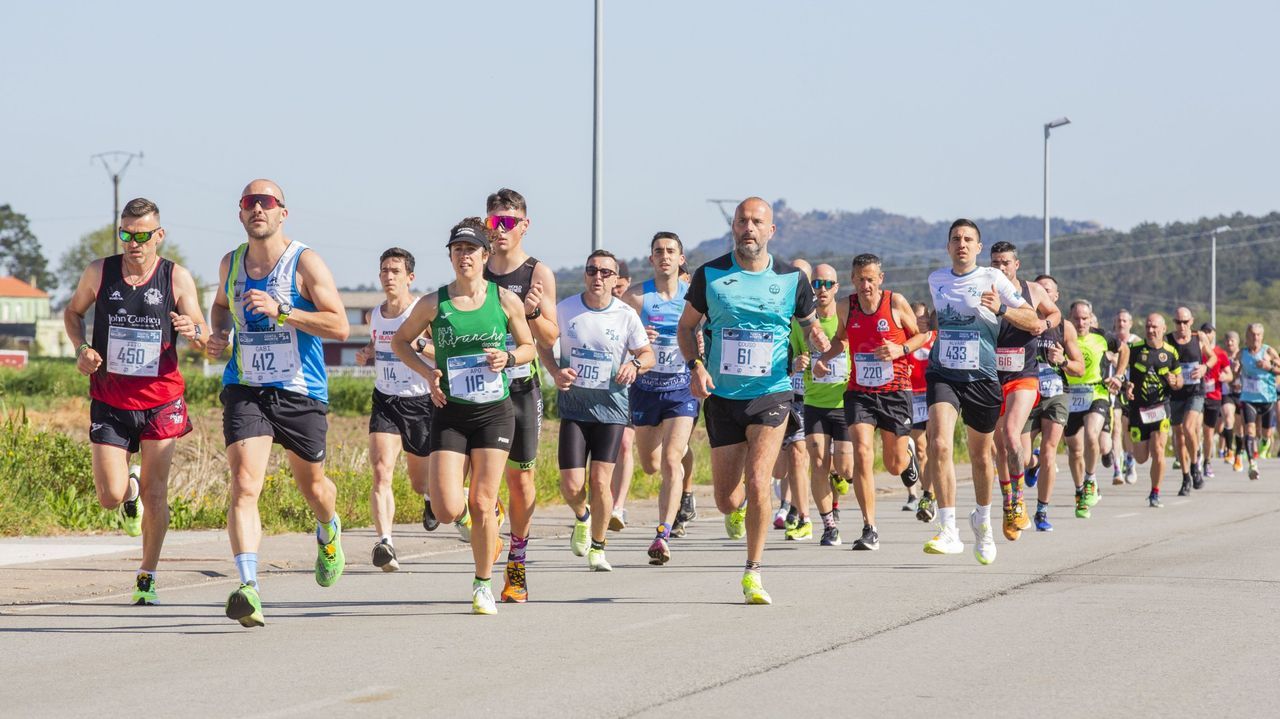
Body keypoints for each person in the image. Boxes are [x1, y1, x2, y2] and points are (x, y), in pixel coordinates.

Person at [208, 180, 351, 627]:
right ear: (240, 213)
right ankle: (249, 586)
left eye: (266, 203)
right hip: (246, 386)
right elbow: (218, 306)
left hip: (299, 389)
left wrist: (282, 310)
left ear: (282, 213)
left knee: (314, 488)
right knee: (245, 485)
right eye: (249, 203)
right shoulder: (231, 263)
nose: (257, 209)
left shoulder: (304, 263)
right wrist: (219, 334)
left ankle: (328, 529)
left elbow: (340, 326)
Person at [677, 197, 827, 604]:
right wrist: (696, 366)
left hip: (771, 393)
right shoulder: (710, 275)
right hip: (723, 397)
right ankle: (739, 512)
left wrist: (818, 339)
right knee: (727, 499)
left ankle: (753, 571)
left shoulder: (792, 279)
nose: (749, 228)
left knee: (760, 480)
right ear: (734, 228)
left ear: (771, 230)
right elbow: (687, 328)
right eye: (742, 221)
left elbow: (810, 323)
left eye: (757, 222)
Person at [63, 197, 208, 606]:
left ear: (159, 236)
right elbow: (72, 313)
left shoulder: (175, 278)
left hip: (162, 400)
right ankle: (128, 494)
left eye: (142, 235)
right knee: (109, 495)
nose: (134, 243)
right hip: (110, 400)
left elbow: (201, 329)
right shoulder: (99, 272)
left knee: (156, 493)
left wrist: (190, 327)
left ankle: (147, 574)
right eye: (126, 234)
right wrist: (82, 349)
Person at [392, 218, 535, 615]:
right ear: (451, 256)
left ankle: (483, 584)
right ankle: (487, 532)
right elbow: (400, 342)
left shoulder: (504, 300)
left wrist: (508, 358)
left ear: (485, 255)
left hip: (494, 412)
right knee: (445, 508)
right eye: (457, 250)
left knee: (482, 499)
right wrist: (428, 373)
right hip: (450, 412)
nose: (464, 256)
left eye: (471, 249)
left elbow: (529, 348)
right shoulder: (433, 303)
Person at [920, 219, 1035, 565]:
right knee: (938, 442)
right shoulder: (936, 279)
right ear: (948, 246)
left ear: (978, 247)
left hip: (983, 378)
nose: (962, 244)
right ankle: (948, 529)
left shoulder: (993, 278)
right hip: (944, 374)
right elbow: (946, 317)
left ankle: (983, 523)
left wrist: (1001, 308)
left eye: (968, 239)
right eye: (956, 239)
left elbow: (1032, 319)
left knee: (980, 457)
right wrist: (929, 324)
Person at [546, 251, 654, 571]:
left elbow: (647, 355)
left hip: (611, 410)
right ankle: (582, 517)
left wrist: (634, 364)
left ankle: (598, 546)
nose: (598, 277)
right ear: (584, 274)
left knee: (600, 481)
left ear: (616, 278)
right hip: (575, 409)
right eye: (592, 270)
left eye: (606, 272)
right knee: (570, 485)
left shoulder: (624, 314)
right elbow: (542, 344)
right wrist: (554, 370)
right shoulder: (565, 310)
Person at [815, 254, 925, 550]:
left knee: (893, 465)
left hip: (895, 391)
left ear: (880, 279)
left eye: (870, 279)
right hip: (859, 392)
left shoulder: (895, 303)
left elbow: (921, 336)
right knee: (862, 452)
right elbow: (841, 340)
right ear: (852, 280)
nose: (865, 285)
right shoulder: (845, 307)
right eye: (860, 279)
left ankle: (907, 456)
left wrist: (899, 348)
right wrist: (823, 359)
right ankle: (869, 527)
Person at [482, 188, 559, 603]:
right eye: (494, 221)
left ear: (524, 226)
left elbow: (550, 335)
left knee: (521, 479)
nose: (500, 230)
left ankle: (517, 561)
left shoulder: (537, 273)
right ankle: (488, 520)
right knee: (477, 478)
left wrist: (530, 312)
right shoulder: (475, 265)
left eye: (508, 222)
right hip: (477, 390)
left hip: (520, 386)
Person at [353, 248, 434, 572]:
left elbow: (442, 353)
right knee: (381, 470)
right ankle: (385, 542)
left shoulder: (422, 312)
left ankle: (430, 501)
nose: (389, 276)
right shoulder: (374, 314)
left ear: (409, 277)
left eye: (395, 271)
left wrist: (422, 345)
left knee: (420, 483)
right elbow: (378, 343)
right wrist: (367, 352)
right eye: (384, 270)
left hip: (420, 401)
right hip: (385, 399)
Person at [620, 233, 698, 563]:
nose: (664, 256)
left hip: (681, 388)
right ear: (651, 259)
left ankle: (663, 534)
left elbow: (706, 331)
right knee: (652, 465)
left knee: (670, 459)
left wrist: (702, 351)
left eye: (670, 251)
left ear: (681, 258)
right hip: (646, 388)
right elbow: (615, 337)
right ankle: (687, 477)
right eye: (658, 252)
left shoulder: (693, 297)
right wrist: (638, 339)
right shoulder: (635, 297)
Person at [988, 242, 1059, 540]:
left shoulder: (1032, 291)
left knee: (1011, 435)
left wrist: (1045, 323)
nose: (1000, 268)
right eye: (995, 263)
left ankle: (1018, 497)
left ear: (1016, 264)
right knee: (998, 447)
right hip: (992, 375)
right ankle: (1009, 502)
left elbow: (1055, 313)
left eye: (1006, 262)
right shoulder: (985, 291)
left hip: (1024, 375)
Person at [791, 264, 852, 546]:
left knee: (845, 468)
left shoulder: (845, 319)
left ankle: (840, 476)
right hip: (813, 401)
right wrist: (796, 363)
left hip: (843, 401)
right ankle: (828, 525)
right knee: (817, 462)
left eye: (828, 284)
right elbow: (789, 356)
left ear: (836, 288)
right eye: (817, 283)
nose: (822, 289)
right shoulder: (799, 324)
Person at [1025, 275, 1084, 527]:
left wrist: (1062, 360)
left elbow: (1079, 368)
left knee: (1051, 450)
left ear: (1056, 297)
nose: (1043, 295)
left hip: (1056, 394)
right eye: (1039, 291)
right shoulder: (1022, 320)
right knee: (1019, 453)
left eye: (1048, 291)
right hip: (1026, 394)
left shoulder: (1065, 328)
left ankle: (1041, 511)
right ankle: (1033, 462)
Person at [1063, 300, 1127, 524]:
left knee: (1092, 435)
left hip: (1096, 393)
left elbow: (1124, 350)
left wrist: (1118, 376)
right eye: (1076, 318)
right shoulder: (1062, 335)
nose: (1080, 322)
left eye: (1085, 318)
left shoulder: (1103, 337)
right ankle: (1080, 491)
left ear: (1091, 318)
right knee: (1075, 450)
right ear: (1069, 318)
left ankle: (1090, 479)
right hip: (1070, 395)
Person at [1123, 313, 1183, 508]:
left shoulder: (1171, 352)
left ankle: (1155, 493)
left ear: (1163, 329)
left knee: (1158, 450)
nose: (1150, 330)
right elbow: (1121, 371)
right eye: (1148, 326)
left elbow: (1179, 379)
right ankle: (1129, 459)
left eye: (1155, 327)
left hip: (1160, 406)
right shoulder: (1134, 349)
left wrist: (1175, 383)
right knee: (1141, 458)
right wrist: (1126, 385)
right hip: (1138, 409)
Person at [1166, 307, 1217, 495]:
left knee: (1189, 427)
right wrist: (1168, 376)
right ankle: (1186, 477)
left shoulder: (1199, 338)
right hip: (1175, 393)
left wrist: (1204, 368)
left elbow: (1213, 358)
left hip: (1195, 391)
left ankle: (1195, 465)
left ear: (1192, 321)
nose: (1182, 326)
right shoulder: (1168, 341)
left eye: (1185, 322)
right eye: (1178, 322)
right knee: (1178, 436)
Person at [609, 259, 638, 531]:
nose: (615, 290)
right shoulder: (597, 310)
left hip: (630, 388)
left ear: (627, 283)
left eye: (620, 286)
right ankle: (603, 501)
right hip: (597, 390)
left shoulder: (632, 310)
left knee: (626, 444)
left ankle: (618, 506)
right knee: (602, 447)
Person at [1237, 323, 1280, 480]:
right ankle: (1252, 464)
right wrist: (1234, 375)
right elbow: (1234, 370)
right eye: (1252, 334)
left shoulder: (1268, 351)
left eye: (1258, 335)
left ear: (1262, 336)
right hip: (1248, 397)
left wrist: (1269, 367)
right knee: (1249, 430)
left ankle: (1264, 443)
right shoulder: (1242, 353)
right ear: (1247, 336)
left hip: (1267, 398)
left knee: (1266, 434)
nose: (1255, 338)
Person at [908, 303, 937, 522]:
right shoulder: (905, 340)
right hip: (912, 397)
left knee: (932, 446)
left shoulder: (935, 337)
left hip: (932, 395)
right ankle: (922, 488)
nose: (922, 321)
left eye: (925, 317)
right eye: (918, 318)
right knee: (919, 448)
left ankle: (928, 493)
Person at [1111, 309, 1144, 483]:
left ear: (1130, 324)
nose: (1121, 323)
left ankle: (1130, 461)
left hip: (1132, 390)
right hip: (1115, 389)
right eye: (1119, 320)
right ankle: (1117, 468)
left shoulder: (1137, 342)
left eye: (1125, 321)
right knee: (1116, 428)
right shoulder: (1110, 341)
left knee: (1128, 429)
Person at [1199, 323, 1232, 481]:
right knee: (1193, 429)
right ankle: (1196, 457)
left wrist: (1223, 377)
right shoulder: (1196, 351)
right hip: (1197, 395)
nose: (1206, 334)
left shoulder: (1220, 353)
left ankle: (1207, 461)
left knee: (1208, 432)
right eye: (1204, 331)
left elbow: (1229, 374)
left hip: (1214, 396)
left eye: (1209, 331)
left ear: (1213, 334)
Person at [1221, 331, 1245, 471]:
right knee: (1228, 417)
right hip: (1227, 393)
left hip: (1242, 393)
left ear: (1237, 342)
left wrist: (1239, 368)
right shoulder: (1222, 356)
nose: (1230, 343)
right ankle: (1229, 450)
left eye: (1232, 341)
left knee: (1239, 428)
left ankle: (1238, 455)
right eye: (1228, 341)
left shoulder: (1243, 355)